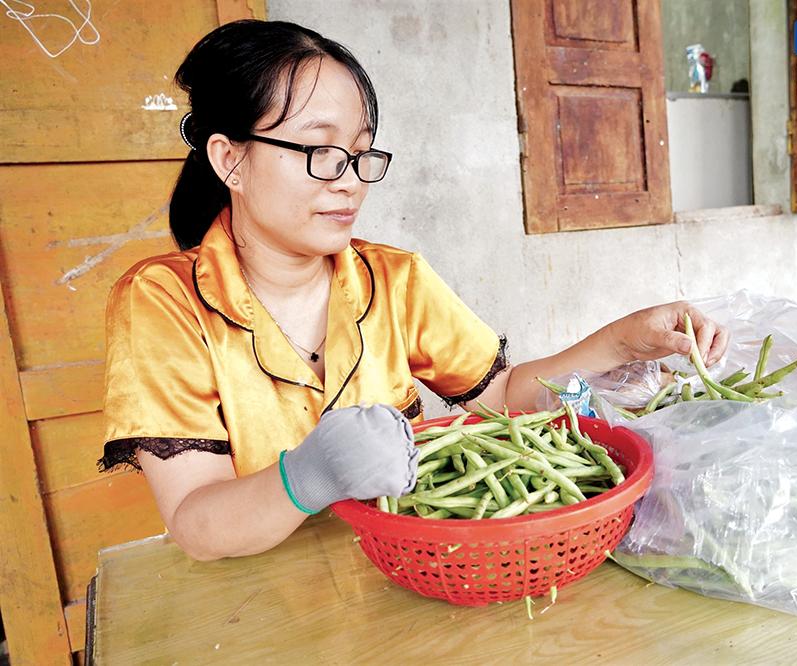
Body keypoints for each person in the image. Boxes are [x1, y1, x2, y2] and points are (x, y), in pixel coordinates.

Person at [98, 19, 729, 561]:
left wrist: (624, 341)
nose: (348, 181)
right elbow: (195, 523)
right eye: (320, 151)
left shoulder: (395, 280)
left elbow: (501, 397)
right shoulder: (165, 301)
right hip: (255, 609)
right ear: (230, 159)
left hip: (407, 574)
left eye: (361, 154)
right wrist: (306, 477)